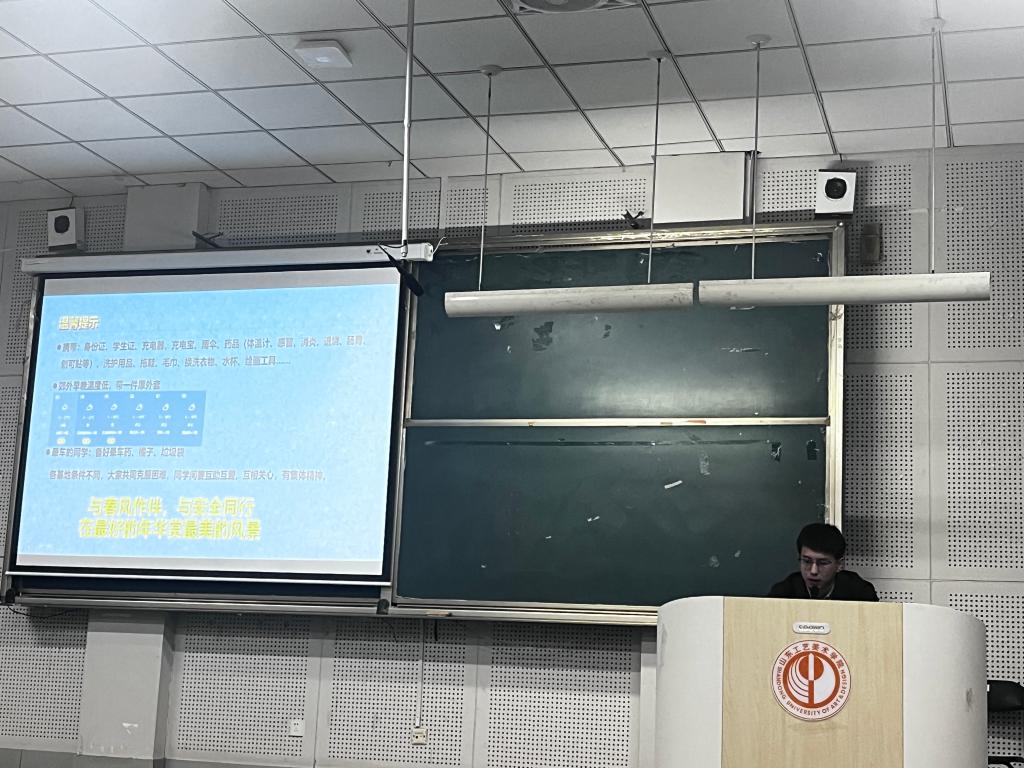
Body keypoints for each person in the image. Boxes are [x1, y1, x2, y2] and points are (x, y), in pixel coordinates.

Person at [768, 523, 878, 601]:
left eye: (823, 563)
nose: (813, 571)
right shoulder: (783, 593)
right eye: (807, 561)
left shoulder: (860, 592)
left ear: (839, 565)